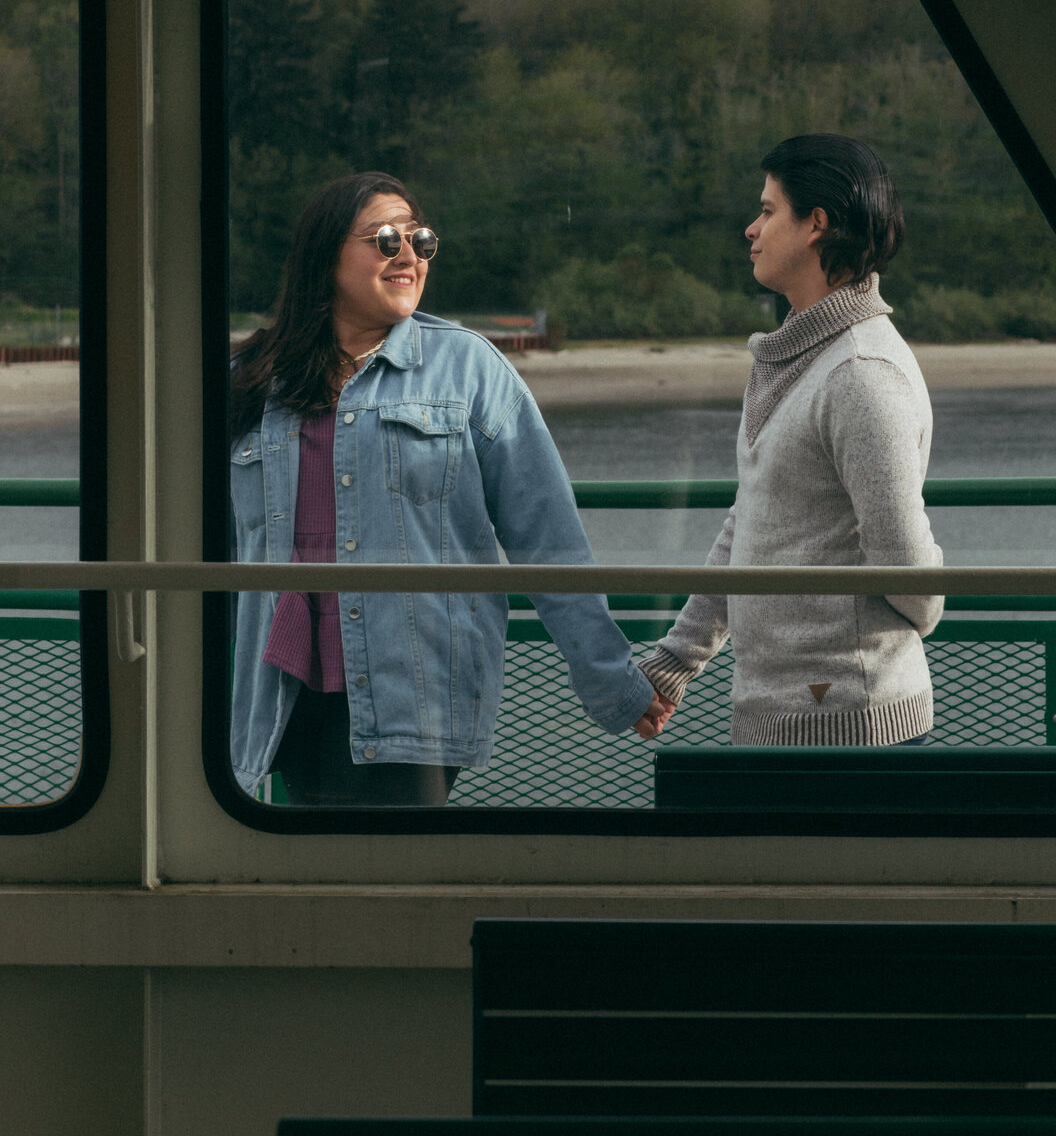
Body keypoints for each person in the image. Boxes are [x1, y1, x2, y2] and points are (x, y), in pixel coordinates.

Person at [229, 170, 668, 805]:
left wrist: (611, 680)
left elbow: (548, 536)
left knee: (398, 889)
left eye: (421, 240)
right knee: (314, 890)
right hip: (279, 692)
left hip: (414, 693)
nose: (408, 255)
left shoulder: (469, 369)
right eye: (385, 239)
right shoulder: (250, 380)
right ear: (326, 256)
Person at [640, 134, 944, 747]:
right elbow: (752, 523)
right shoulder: (798, 359)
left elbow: (912, 578)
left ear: (817, 225)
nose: (751, 229)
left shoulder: (861, 374)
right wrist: (675, 662)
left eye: (768, 210)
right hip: (779, 718)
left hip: (852, 728)